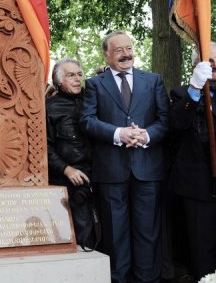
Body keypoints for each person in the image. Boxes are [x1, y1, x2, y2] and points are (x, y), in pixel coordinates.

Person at [80, 30, 169, 283]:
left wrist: (146, 136)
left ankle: (147, 279)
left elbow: (165, 121)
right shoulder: (95, 84)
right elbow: (87, 121)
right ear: (107, 55)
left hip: (147, 170)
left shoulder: (153, 81)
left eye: (128, 48)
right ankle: (119, 279)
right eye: (118, 50)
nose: (126, 54)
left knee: (147, 232)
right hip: (111, 171)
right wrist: (119, 133)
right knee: (115, 233)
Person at [169, 41, 216, 281]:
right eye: (208, 65)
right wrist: (194, 89)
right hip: (198, 185)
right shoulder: (181, 94)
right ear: (196, 67)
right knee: (202, 248)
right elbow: (177, 123)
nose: (212, 70)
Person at [46, 59, 96, 250]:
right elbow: (45, 147)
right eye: (70, 75)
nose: (77, 79)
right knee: (82, 235)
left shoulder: (93, 100)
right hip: (69, 181)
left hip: (100, 176)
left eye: (79, 74)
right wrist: (66, 169)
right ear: (58, 81)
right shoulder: (49, 108)